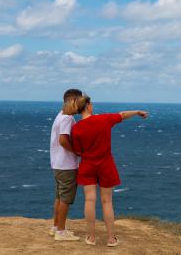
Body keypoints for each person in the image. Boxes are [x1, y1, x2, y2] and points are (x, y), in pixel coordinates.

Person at [71, 94, 148, 247]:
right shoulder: (103, 119)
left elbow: (77, 151)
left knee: (89, 200)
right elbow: (123, 115)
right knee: (107, 202)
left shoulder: (76, 128)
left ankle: (91, 238)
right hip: (105, 164)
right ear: (87, 106)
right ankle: (111, 239)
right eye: (91, 103)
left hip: (87, 164)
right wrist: (138, 112)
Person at [49, 89, 82, 241]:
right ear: (72, 100)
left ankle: (56, 226)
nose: (81, 104)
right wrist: (77, 152)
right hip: (66, 165)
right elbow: (63, 140)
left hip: (57, 163)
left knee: (59, 197)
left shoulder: (60, 115)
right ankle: (61, 232)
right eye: (79, 101)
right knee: (65, 199)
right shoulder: (67, 118)